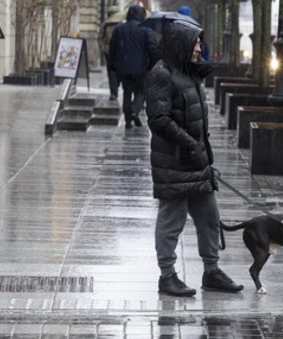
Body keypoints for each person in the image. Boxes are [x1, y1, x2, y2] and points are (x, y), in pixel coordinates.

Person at [144, 20, 243, 296]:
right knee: (171, 221)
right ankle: (167, 276)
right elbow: (158, 119)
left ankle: (211, 271)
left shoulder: (190, 74)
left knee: (209, 217)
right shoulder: (161, 74)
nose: (199, 47)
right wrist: (188, 144)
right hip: (173, 162)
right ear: (181, 44)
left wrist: (202, 153)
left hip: (197, 162)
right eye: (196, 42)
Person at [108, 5, 157, 129]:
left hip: (124, 68)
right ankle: (134, 111)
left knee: (127, 93)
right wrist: (153, 64)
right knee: (140, 93)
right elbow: (152, 48)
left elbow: (112, 48)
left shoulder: (119, 28)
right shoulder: (146, 29)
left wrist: (111, 65)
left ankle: (128, 120)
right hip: (141, 69)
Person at [98, 6, 121, 101]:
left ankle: (117, 84)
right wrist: (103, 48)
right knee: (111, 73)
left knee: (119, 72)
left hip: (120, 52)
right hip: (109, 51)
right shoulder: (105, 25)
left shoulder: (120, 25)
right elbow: (100, 38)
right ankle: (113, 93)